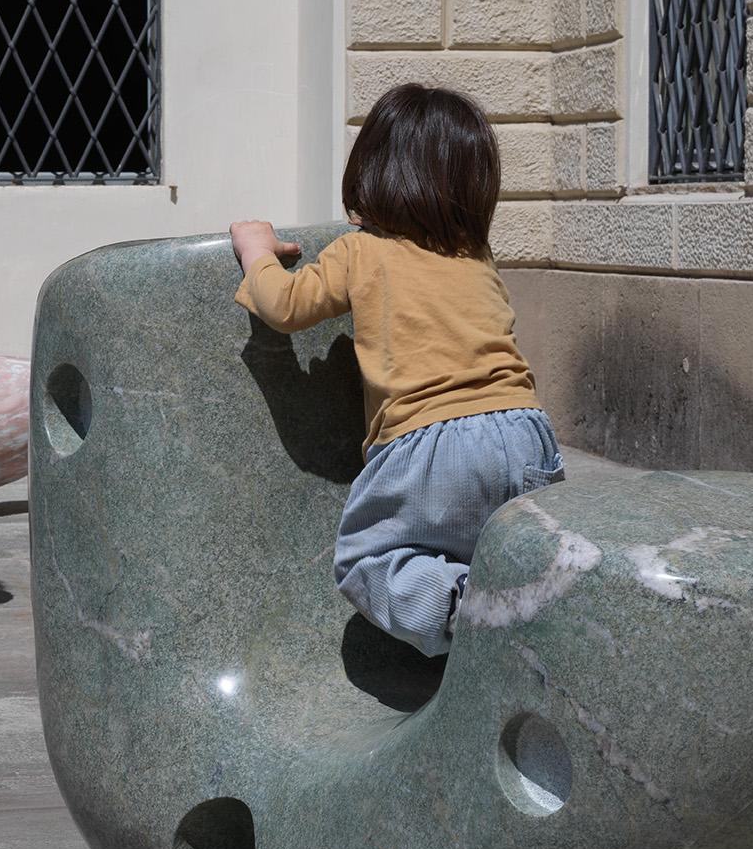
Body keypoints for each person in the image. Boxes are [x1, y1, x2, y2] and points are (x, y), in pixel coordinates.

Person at [229, 83, 563, 657]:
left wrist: (255, 249)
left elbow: (285, 307)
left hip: (432, 442)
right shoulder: (474, 254)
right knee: (512, 553)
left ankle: (463, 606)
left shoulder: (361, 251)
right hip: (526, 432)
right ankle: (527, 614)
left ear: (373, 172)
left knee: (368, 561)